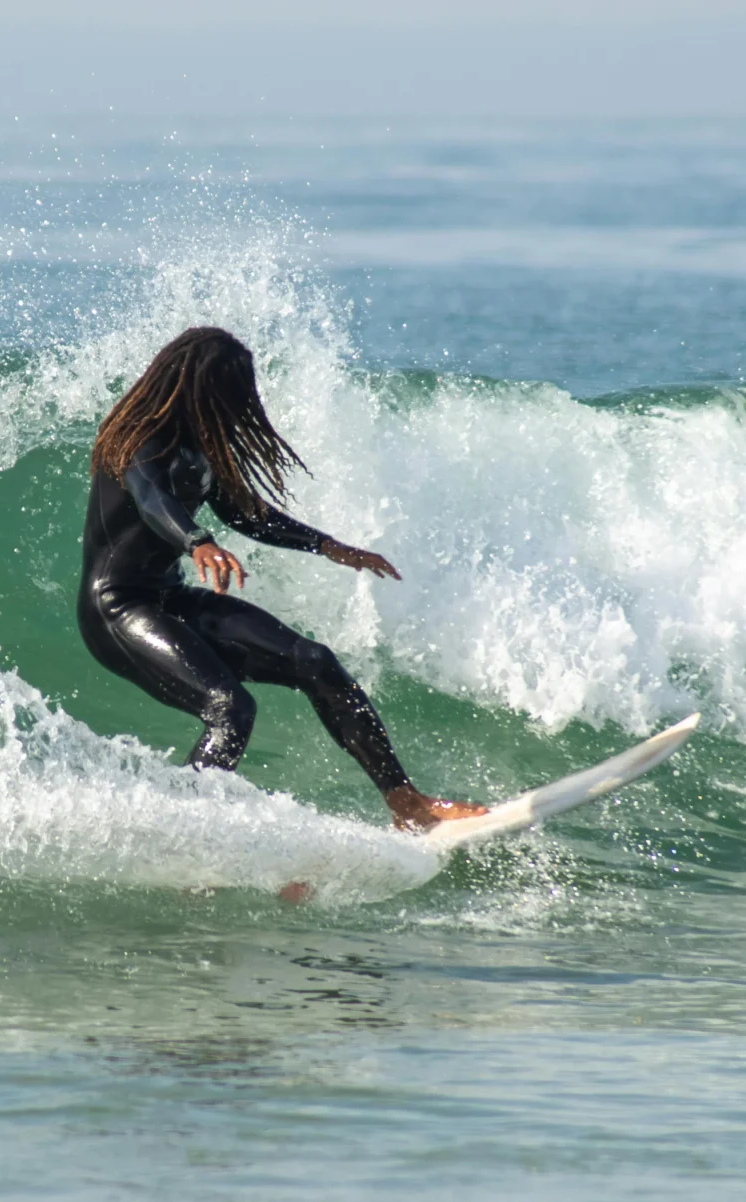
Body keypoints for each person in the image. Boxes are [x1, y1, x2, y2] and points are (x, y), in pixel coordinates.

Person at [79, 326, 488, 831]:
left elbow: (247, 515)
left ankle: (407, 805)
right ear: (198, 390)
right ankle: (183, 835)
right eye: (231, 396)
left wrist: (326, 545)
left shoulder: (199, 449)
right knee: (229, 707)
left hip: (169, 599)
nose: (239, 409)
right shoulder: (138, 439)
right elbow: (151, 498)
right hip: (117, 608)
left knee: (315, 662)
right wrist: (196, 541)